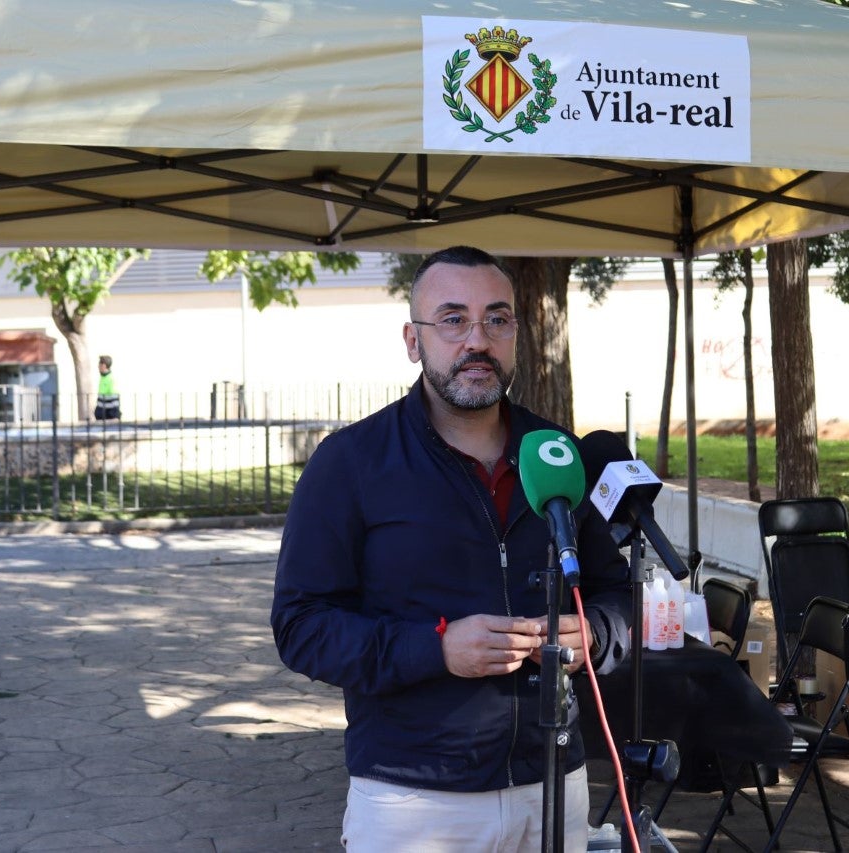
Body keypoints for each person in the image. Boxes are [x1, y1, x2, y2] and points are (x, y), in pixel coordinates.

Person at [270, 246, 631, 852]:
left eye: (496, 319)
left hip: (554, 781)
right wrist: (437, 649)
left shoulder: (557, 455)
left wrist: (592, 632)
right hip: (413, 798)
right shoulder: (352, 463)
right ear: (414, 341)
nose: (477, 340)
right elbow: (302, 626)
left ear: (517, 333)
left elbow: (616, 592)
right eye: (453, 319)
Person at [94, 354, 120, 420]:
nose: (98, 366)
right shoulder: (103, 377)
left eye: (99, 364)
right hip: (101, 413)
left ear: (104, 365)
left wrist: (114, 415)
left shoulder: (111, 379)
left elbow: (114, 399)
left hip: (109, 414)